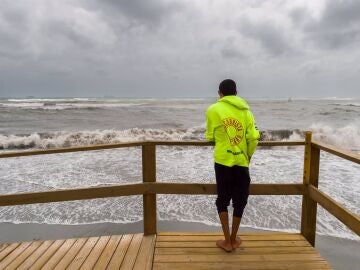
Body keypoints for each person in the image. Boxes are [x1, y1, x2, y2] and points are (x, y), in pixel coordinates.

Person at [205, 79, 260, 252]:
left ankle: (227, 240)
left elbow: (209, 137)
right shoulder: (247, 112)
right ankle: (234, 238)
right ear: (236, 93)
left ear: (219, 93)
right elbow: (253, 139)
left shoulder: (213, 109)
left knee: (222, 200)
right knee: (240, 201)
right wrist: (247, 156)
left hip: (222, 161)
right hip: (242, 162)